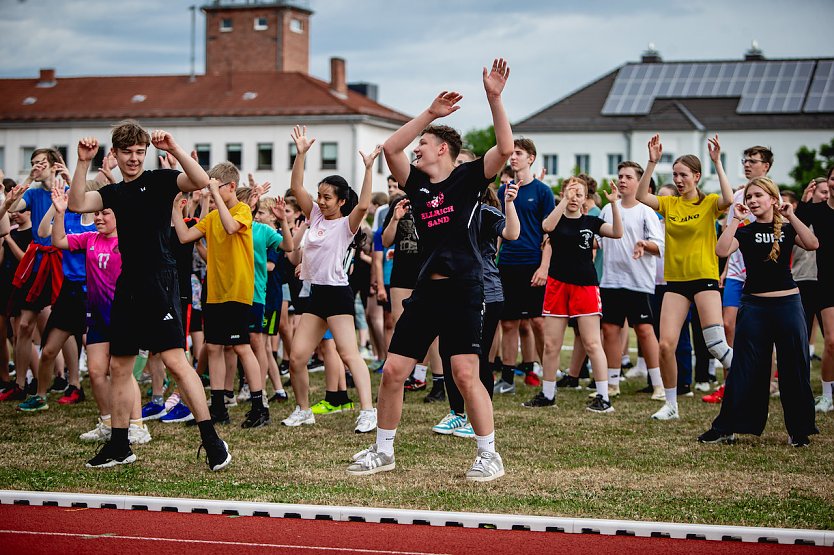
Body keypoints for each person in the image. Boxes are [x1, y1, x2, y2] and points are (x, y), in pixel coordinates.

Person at [347, 58, 514, 482]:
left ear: (443, 150)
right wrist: (429, 113)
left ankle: (488, 454)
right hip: (427, 290)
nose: (416, 148)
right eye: (417, 143)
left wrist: (494, 98)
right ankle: (384, 451)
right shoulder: (417, 185)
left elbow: (506, 150)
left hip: (465, 289)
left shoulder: (468, 178)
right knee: (394, 371)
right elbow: (390, 148)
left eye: (424, 143)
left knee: (463, 373)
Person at [67, 120, 230, 470]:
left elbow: (201, 181)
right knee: (119, 366)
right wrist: (82, 162)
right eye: (128, 152)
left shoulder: (159, 181)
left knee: (175, 362)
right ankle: (119, 444)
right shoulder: (113, 193)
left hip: (161, 281)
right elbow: (77, 203)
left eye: (140, 152)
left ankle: (212, 440)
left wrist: (172, 148)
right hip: (129, 285)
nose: (135, 158)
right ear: (116, 153)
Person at [698, 177, 819, 446]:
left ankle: (799, 430)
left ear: (772, 200)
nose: (752, 201)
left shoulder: (787, 229)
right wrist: (735, 221)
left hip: (788, 305)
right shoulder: (744, 230)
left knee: (795, 367)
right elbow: (720, 250)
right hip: (754, 306)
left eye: (757, 196)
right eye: (749, 197)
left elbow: (812, 244)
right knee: (745, 368)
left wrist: (791, 216)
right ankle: (726, 427)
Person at [281, 125, 380, 434]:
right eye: (320, 196)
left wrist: (368, 169)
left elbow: (363, 204)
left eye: (327, 197)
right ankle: (303, 409)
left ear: (340, 201)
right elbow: (297, 188)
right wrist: (301, 155)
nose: (321, 201)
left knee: (349, 354)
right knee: (297, 357)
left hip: (337, 294)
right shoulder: (314, 218)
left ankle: (368, 411)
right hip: (315, 294)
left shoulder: (346, 225)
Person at [636, 134, 734, 421]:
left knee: (716, 345)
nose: (678, 180)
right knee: (666, 345)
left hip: (704, 278)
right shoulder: (670, 204)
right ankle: (671, 404)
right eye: (675, 175)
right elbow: (642, 196)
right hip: (676, 283)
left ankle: (747, 378)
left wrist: (717, 162)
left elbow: (729, 199)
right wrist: (652, 162)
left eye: (684, 175)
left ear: (697, 177)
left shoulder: (710, 203)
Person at [172, 162, 270, 430]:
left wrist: (214, 195)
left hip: (237, 290)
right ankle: (217, 408)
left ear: (230, 187)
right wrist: (175, 208)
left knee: (241, 347)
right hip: (214, 292)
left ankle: (259, 405)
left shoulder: (243, 211)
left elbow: (230, 228)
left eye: (216, 186)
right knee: (213, 347)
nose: (211, 191)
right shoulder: (213, 216)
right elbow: (184, 237)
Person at [523, 176, 622, 413]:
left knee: (591, 342)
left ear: (586, 199)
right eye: (570, 193)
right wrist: (563, 200)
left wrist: (615, 204)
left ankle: (604, 397)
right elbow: (546, 227)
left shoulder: (592, 221)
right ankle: (548, 395)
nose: (574, 198)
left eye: (579, 194)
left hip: (585, 286)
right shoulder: (555, 219)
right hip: (557, 286)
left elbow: (618, 233)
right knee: (551, 345)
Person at [433, 181, 520, 437]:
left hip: (486, 293)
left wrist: (510, 203)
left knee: (477, 357)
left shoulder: (486, 212)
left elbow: (511, 233)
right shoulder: (446, 212)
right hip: (453, 291)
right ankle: (457, 413)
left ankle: (479, 416)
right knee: (448, 351)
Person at [708, 146, 773, 403]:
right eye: (745, 160)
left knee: (766, 332)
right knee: (727, 325)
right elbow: (728, 236)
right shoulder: (737, 196)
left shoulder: (772, 198)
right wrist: (724, 269)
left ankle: (766, 384)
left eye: (753, 161)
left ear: (765, 166)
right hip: (736, 273)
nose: (747, 165)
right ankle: (730, 383)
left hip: (764, 276)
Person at [598, 161, 664, 400]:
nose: (622, 181)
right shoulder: (607, 209)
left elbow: (660, 247)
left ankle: (658, 384)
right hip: (611, 280)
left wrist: (644, 245)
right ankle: (613, 382)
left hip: (639, 281)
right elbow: (600, 240)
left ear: (639, 182)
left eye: (628, 177)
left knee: (645, 330)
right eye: (620, 176)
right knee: (610, 330)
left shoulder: (646, 210)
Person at [494, 138, 554, 394]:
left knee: (538, 323)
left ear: (531, 158)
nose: (512, 157)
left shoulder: (543, 191)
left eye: (518, 153)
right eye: (512, 153)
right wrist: (492, 260)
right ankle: (507, 378)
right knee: (509, 323)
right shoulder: (503, 191)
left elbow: (549, 234)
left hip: (533, 265)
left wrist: (544, 268)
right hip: (508, 264)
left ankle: (545, 373)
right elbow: (497, 229)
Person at [798, 168, 834, 414]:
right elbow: (795, 223)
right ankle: (827, 394)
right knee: (831, 342)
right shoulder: (818, 210)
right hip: (827, 283)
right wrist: (803, 199)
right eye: (833, 177)